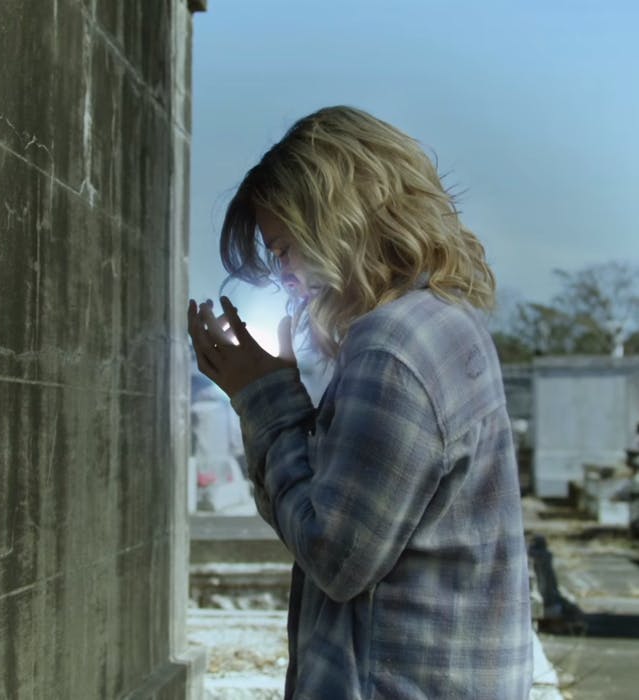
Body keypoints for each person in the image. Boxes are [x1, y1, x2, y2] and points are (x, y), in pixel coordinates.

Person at [186, 106, 531, 698]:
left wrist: (263, 398)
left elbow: (336, 556)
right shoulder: (444, 320)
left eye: (286, 249)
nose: (285, 277)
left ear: (340, 223)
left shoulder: (392, 347)